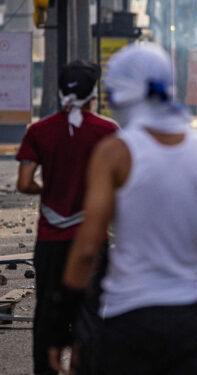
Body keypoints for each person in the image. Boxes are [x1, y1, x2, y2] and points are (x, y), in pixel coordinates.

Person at [48, 44, 197, 375]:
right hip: (189, 321)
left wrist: (60, 329)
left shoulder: (114, 153)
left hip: (127, 318)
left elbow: (86, 250)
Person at [15, 60, 118, 375]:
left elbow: (23, 183)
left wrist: (44, 189)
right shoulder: (108, 131)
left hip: (50, 241)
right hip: (92, 240)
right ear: (93, 93)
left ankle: (46, 368)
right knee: (90, 312)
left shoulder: (39, 131)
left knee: (47, 311)